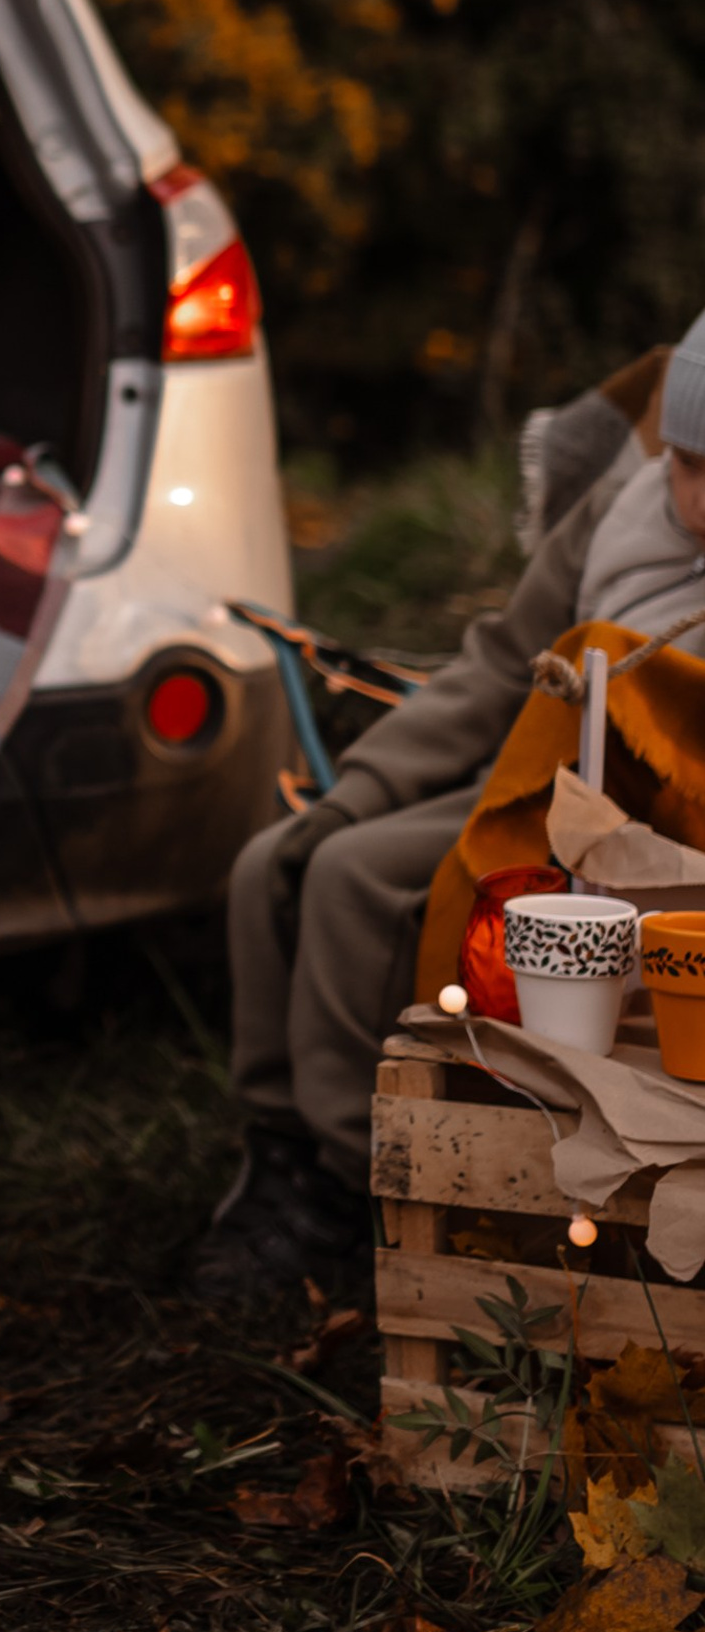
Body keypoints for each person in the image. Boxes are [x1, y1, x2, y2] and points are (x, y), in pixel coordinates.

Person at [193, 314, 705, 1301]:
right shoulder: (627, 514)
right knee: (282, 859)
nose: (699, 495)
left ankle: (356, 1173)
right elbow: (497, 666)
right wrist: (359, 792)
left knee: (356, 884)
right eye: (687, 463)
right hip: (542, 776)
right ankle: (279, 1145)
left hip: (653, 830)